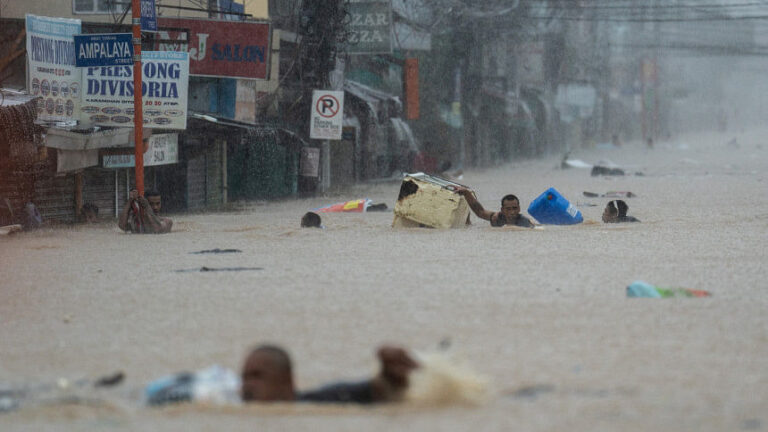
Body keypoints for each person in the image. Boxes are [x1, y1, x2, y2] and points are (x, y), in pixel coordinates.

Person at [241, 345, 419, 404]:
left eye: (257, 376)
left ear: (286, 381)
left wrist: (390, 373)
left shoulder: (326, 399)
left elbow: (378, 389)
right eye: (245, 377)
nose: (247, 385)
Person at [453, 187, 534, 228]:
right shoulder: (497, 218)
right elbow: (480, 212)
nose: (512, 212)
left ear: (519, 209)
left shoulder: (524, 222)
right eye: (508, 209)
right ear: (502, 210)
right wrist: (467, 193)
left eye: (514, 208)